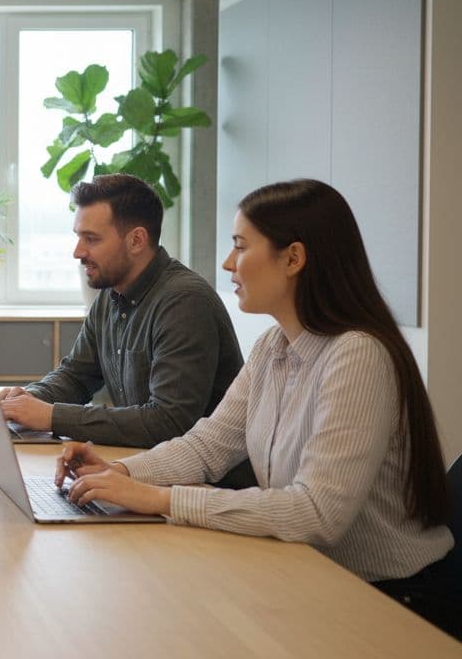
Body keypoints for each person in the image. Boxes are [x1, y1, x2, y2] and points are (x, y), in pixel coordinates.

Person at [57, 179, 458, 638]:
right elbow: (207, 446)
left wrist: (163, 499)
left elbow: (316, 513)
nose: (228, 264)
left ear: (293, 259)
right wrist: (123, 473)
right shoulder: (273, 347)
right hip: (310, 572)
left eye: (240, 247)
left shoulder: (357, 356)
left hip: (392, 600)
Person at [0, 175, 250, 483]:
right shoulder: (110, 293)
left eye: (91, 239)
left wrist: (51, 416)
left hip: (204, 491)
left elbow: (168, 422)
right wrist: (26, 401)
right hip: (148, 476)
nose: (78, 252)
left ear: (136, 240)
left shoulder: (185, 302)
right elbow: (76, 376)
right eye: (78, 237)